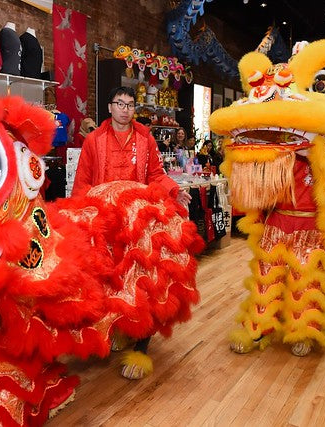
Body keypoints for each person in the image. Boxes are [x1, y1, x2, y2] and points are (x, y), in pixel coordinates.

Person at [72, 86, 191, 379]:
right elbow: (82, 181)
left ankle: (141, 346)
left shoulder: (145, 138)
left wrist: (174, 192)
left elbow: (156, 176)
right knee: (108, 280)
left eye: (129, 104)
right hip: (106, 222)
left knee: (141, 280)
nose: (124, 109)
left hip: (138, 223)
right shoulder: (93, 141)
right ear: (109, 107)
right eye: (119, 103)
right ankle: (117, 329)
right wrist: (78, 215)